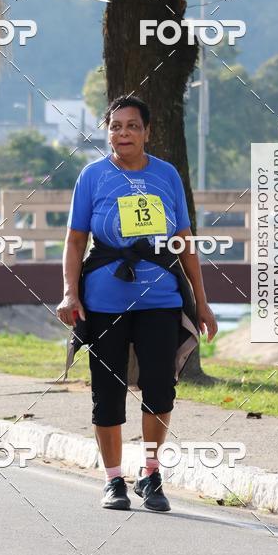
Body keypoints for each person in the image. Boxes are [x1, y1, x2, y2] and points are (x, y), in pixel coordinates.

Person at [57, 95, 218, 512]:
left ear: (147, 132)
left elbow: (184, 243)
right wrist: (70, 293)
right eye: (115, 127)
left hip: (161, 299)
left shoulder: (167, 176)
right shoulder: (92, 176)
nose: (123, 134)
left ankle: (150, 473)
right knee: (107, 394)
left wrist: (201, 302)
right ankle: (113, 480)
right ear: (107, 131)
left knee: (160, 389)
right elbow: (75, 242)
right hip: (104, 301)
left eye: (132, 126)